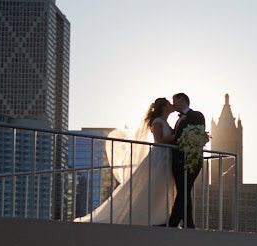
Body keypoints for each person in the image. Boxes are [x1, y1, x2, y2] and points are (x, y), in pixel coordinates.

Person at [76, 97, 174, 226]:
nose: (171, 105)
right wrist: (176, 137)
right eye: (169, 104)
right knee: (151, 187)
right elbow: (159, 139)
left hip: (166, 158)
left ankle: (159, 217)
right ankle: (148, 217)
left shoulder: (165, 122)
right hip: (158, 158)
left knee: (160, 188)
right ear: (163, 107)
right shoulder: (157, 122)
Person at [167, 92, 205, 228]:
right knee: (184, 192)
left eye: (175, 101)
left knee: (184, 190)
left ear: (182, 99)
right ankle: (188, 224)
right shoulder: (178, 120)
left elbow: (197, 135)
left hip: (191, 161)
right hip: (177, 161)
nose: (173, 104)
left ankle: (173, 223)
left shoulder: (197, 115)